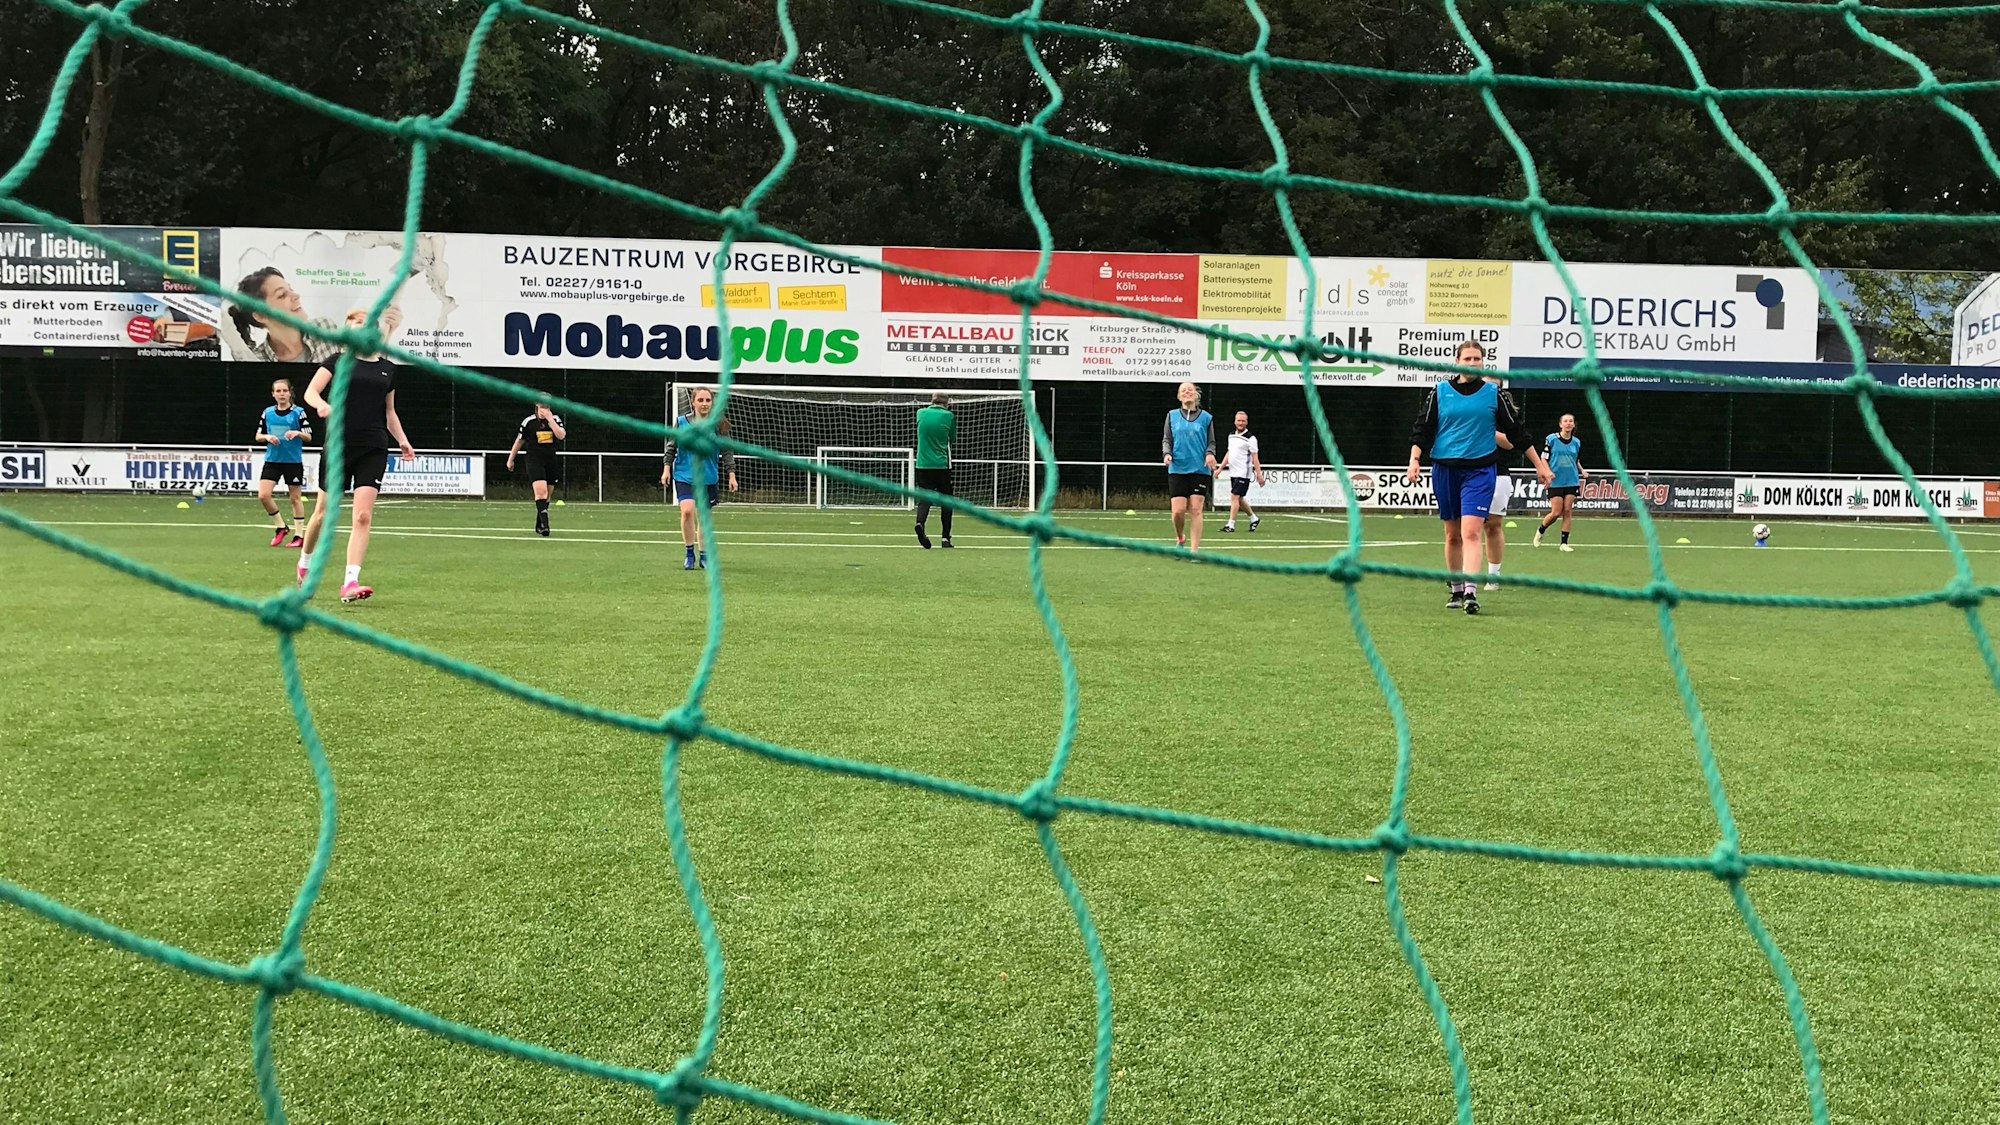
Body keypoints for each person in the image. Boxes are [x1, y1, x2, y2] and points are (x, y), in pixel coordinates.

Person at [299, 308, 416, 602]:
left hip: (374, 446)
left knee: (362, 516)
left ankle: (350, 582)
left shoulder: (388, 369)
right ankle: (305, 563)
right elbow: (311, 392)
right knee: (323, 515)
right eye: (358, 322)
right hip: (339, 446)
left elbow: (389, 412)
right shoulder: (337, 362)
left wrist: (402, 439)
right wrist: (321, 406)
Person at [1406, 339, 1530, 615]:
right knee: (1452, 535)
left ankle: (1472, 592)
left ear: (1482, 362)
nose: (1473, 363)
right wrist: (1415, 459)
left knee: (1472, 531)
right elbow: (1422, 429)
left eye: (1477, 359)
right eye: (1468, 359)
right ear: (1457, 361)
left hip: (1480, 470)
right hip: (1445, 469)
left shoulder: (1492, 393)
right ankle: (1457, 588)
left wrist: (1541, 466)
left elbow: (1517, 433)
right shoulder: (1439, 392)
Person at [1480, 378, 1553, 590]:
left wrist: (1486, 430)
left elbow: (1512, 442)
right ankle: (1461, 575)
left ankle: (1493, 576)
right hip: (1467, 472)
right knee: (1464, 525)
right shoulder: (1465, 407)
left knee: (1492, 526)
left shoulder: (1504, 415)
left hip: (1497, 473)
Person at [660, 387, 738, 570]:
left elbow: (727, 451)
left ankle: (704, 556)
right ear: (693, 402)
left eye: (708, 400)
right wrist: (666, 469)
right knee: (687, 511)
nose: (704, 404)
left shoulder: (719, 424)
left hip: (708, 478)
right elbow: (671, 447)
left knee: (704, 517)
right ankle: (689, 553)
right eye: (700, 400)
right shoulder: (681, 422)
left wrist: (731, 475)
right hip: (684, 476)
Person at [227, 268, 346, 365]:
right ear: (261, 316)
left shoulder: (325, 327)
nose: (296, 295)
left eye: (291, 289)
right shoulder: (257, 361)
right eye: (282, 295)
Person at [255, 378, 312, 548]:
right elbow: (258, 435)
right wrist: (267, 437)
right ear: (273, 394)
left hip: (292, 461)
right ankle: (281, 527)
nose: (281, 394)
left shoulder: (298, 412)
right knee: (263, 495)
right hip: (272, 460)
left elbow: (309, 436)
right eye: (278, 391)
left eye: (284, 391)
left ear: (289, 393)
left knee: (295, 498)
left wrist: (297, 433)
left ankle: (299, 536)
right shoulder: (268, 413)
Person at [1162, 381, 1218, 553]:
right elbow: (1167, 439)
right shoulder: (1172, 415)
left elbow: (1211, 442)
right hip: (1177, 468)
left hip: (1199, 469)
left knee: (1195, 509)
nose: (1187, 392)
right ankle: (1180, 537)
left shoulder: (1206, 418)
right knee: (1178, 512)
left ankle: (1194, 551)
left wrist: (1210, 453)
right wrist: (1167, 453)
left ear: (1196, 395)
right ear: (1179, 396)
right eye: (1183, 390)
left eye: (1190, 390)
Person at [506, 400, 567, 537]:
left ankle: (539, 523)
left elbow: (561, 435)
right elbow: (519, 440)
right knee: (540, 492)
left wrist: (550, 419)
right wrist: (511, 459)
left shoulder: (555, 419)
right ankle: (545, 526)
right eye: (541, 406)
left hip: (550, 460)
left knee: (547, 496)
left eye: (547, 406)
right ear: (536, 407)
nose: (544, 409)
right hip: (534, 460)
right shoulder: (529, 421)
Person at [1534, 414, 1589, 551]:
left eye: (1571, 421)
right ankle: (1541, 530)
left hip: (1571, 480)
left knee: (1567, 510)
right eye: (1565, 421)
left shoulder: (1576, 442)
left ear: (1574, 424)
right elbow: (1543, 458)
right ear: (1560, 424)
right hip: (1556, 481)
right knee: (1556, 512)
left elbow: (1575, 460)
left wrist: (1582, 471)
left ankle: (1564, 543)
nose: (1568, 423)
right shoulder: (1551, 439)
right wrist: (1547, 472)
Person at [914, 393, 956, 549]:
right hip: (941, 464)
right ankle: (945, 538)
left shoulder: (921, 413)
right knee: (947, 501)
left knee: (924, 499)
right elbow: (952, 438)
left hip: (922, 464)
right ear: (947, 403)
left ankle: (920, 523)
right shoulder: (949, 416)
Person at [1219, 410, 1264, 533]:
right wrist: (1220, 468)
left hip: (1243, 474)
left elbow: (1255, 458)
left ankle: (1231, 525)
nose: (1240, 423)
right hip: (1233, 473)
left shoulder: (1251, 439)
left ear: (1247, 422)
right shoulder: (1231, 435)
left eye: (1243, 421)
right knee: (1239, 499)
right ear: (1235, 421)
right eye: (1238, 420)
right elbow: (1229, 453)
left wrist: (1259, 475)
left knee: (1234, 496)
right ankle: (1253, 518)